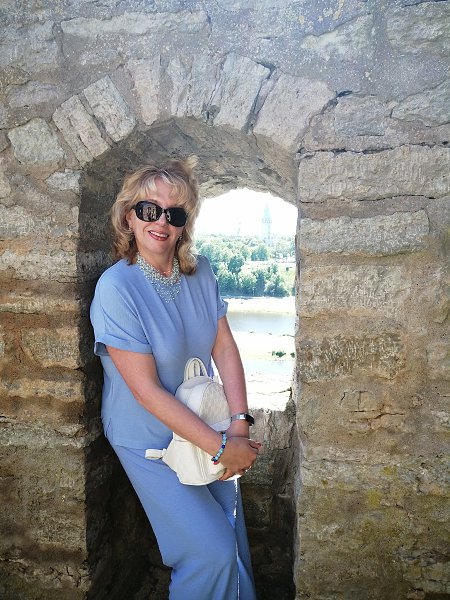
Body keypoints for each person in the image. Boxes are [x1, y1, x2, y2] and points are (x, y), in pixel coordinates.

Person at [90, 157, 260, 600]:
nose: (161, 222)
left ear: (185, 224)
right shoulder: (116, 288)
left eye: (175, 213)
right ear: (128, 216)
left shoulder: (201, 272)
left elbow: (224, 348)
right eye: (149, 209)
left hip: (205, 422)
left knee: (231, 540)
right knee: (209, 554)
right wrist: (223, 448)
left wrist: (239, 425)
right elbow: (145, 391)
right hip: (150, 440)